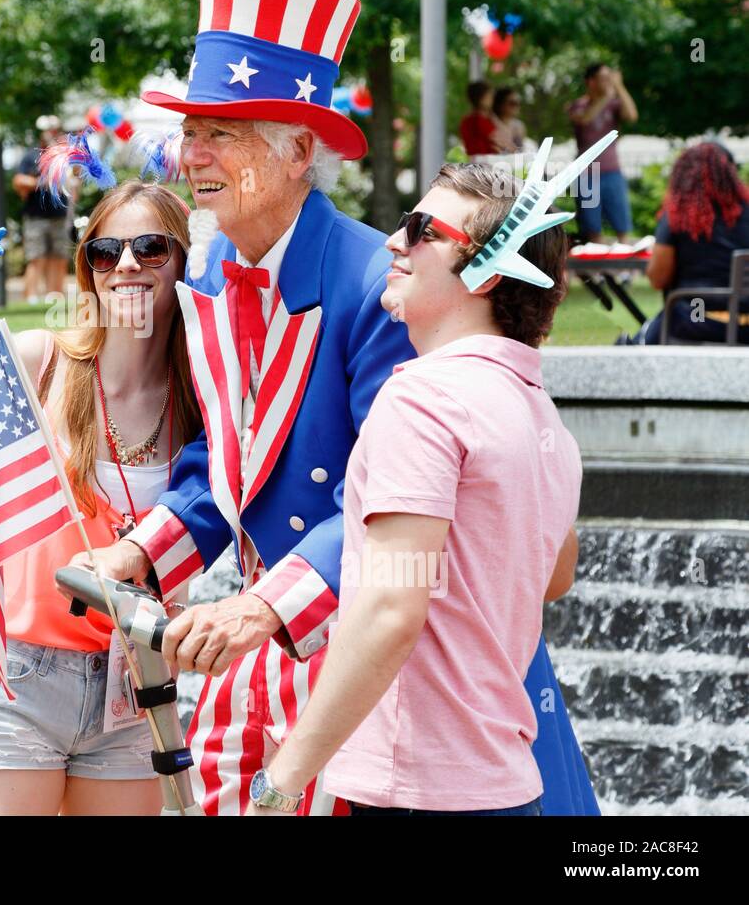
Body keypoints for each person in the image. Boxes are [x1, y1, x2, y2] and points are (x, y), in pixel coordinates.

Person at [75, 0, 417, 816]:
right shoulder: (212, 265)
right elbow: (222, 468)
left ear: (300, 151)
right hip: (257, 647)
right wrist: (139, 555)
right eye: (193, 131)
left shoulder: (381, 283)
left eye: (223, 132)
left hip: (358, 655)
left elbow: (394, 503)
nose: (193, 155)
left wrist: (264, 607)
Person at [249, 161, 591, 816]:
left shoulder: (424, 400)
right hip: (505, 784)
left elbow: (390, 610)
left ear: (487, 273)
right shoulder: (538, 413)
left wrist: (281, 782)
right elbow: (553, 574)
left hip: (421, 790)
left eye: (420, 230)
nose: (392, 242)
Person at [0, 181, 202, 815]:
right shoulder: (38, 364)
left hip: (135, 677)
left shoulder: (202, 399)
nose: (128, 264)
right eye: (107, 251)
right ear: (89, 269)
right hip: (17, 674)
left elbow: (203, 529)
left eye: (152, 247)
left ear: (185, 261)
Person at [629, 142, 749, 344]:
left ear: (684, 176)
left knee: (638, 343)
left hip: (697, 318)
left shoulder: (678, 217)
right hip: (746, 326)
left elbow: (658, 279)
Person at [567, 63, 638, 244]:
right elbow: (585, 119)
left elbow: (631, 115)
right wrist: (607, 96)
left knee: (622, 228)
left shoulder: (613, 105)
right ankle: (596, 271)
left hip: (612, 173)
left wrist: (620, 87)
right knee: (591, 230)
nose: (608, 82)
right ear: (591, 82)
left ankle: (623, 271)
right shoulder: (577, 105)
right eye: (604, 78)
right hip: (586, 175)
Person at [14, 125, 72, 303]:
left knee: (59, 257)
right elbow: (18, 181)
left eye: (56, 131)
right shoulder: (31, 156)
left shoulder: (63, 157)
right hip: (36, 216)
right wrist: (42, 182)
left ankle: (55, 295)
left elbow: (74, 177)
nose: (53, 134)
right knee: (36, 257)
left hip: (59, 215)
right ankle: (31, 296)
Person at [459, 80, 512, 158]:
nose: (492, 99)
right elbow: (505, 142)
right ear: (481, 98)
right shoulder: (479, 120)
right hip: (487, 162)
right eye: (489, 96)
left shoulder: (466, 120)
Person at [492, 86, 527, 152]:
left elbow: (519, 149)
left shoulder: (519, 125)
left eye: (518, 103)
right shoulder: (491, 123)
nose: (516, 106)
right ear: (500, 104)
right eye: (512, 103)